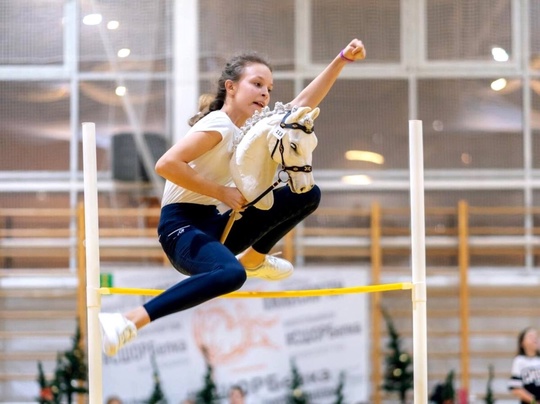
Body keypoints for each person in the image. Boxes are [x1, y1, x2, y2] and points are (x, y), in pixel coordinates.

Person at [98, 38, 366, 357]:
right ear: (232, 87)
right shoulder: (218, 126)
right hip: (181, 229)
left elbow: (302, 104)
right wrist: (222, 192)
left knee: (305, 194)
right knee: (230, 274)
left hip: (216, 223)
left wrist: (340, 60)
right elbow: (166, 164)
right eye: (256, 84)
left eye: (269, 87)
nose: (265, 93)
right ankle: (129, 320)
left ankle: (254, 258)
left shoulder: (253, 129)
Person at [508, 327, 540, 403]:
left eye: (536, 337)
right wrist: (534, 402)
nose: (534, 339)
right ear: (522, 343)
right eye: (530, 337)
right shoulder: (519, 361)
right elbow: (515, 389)